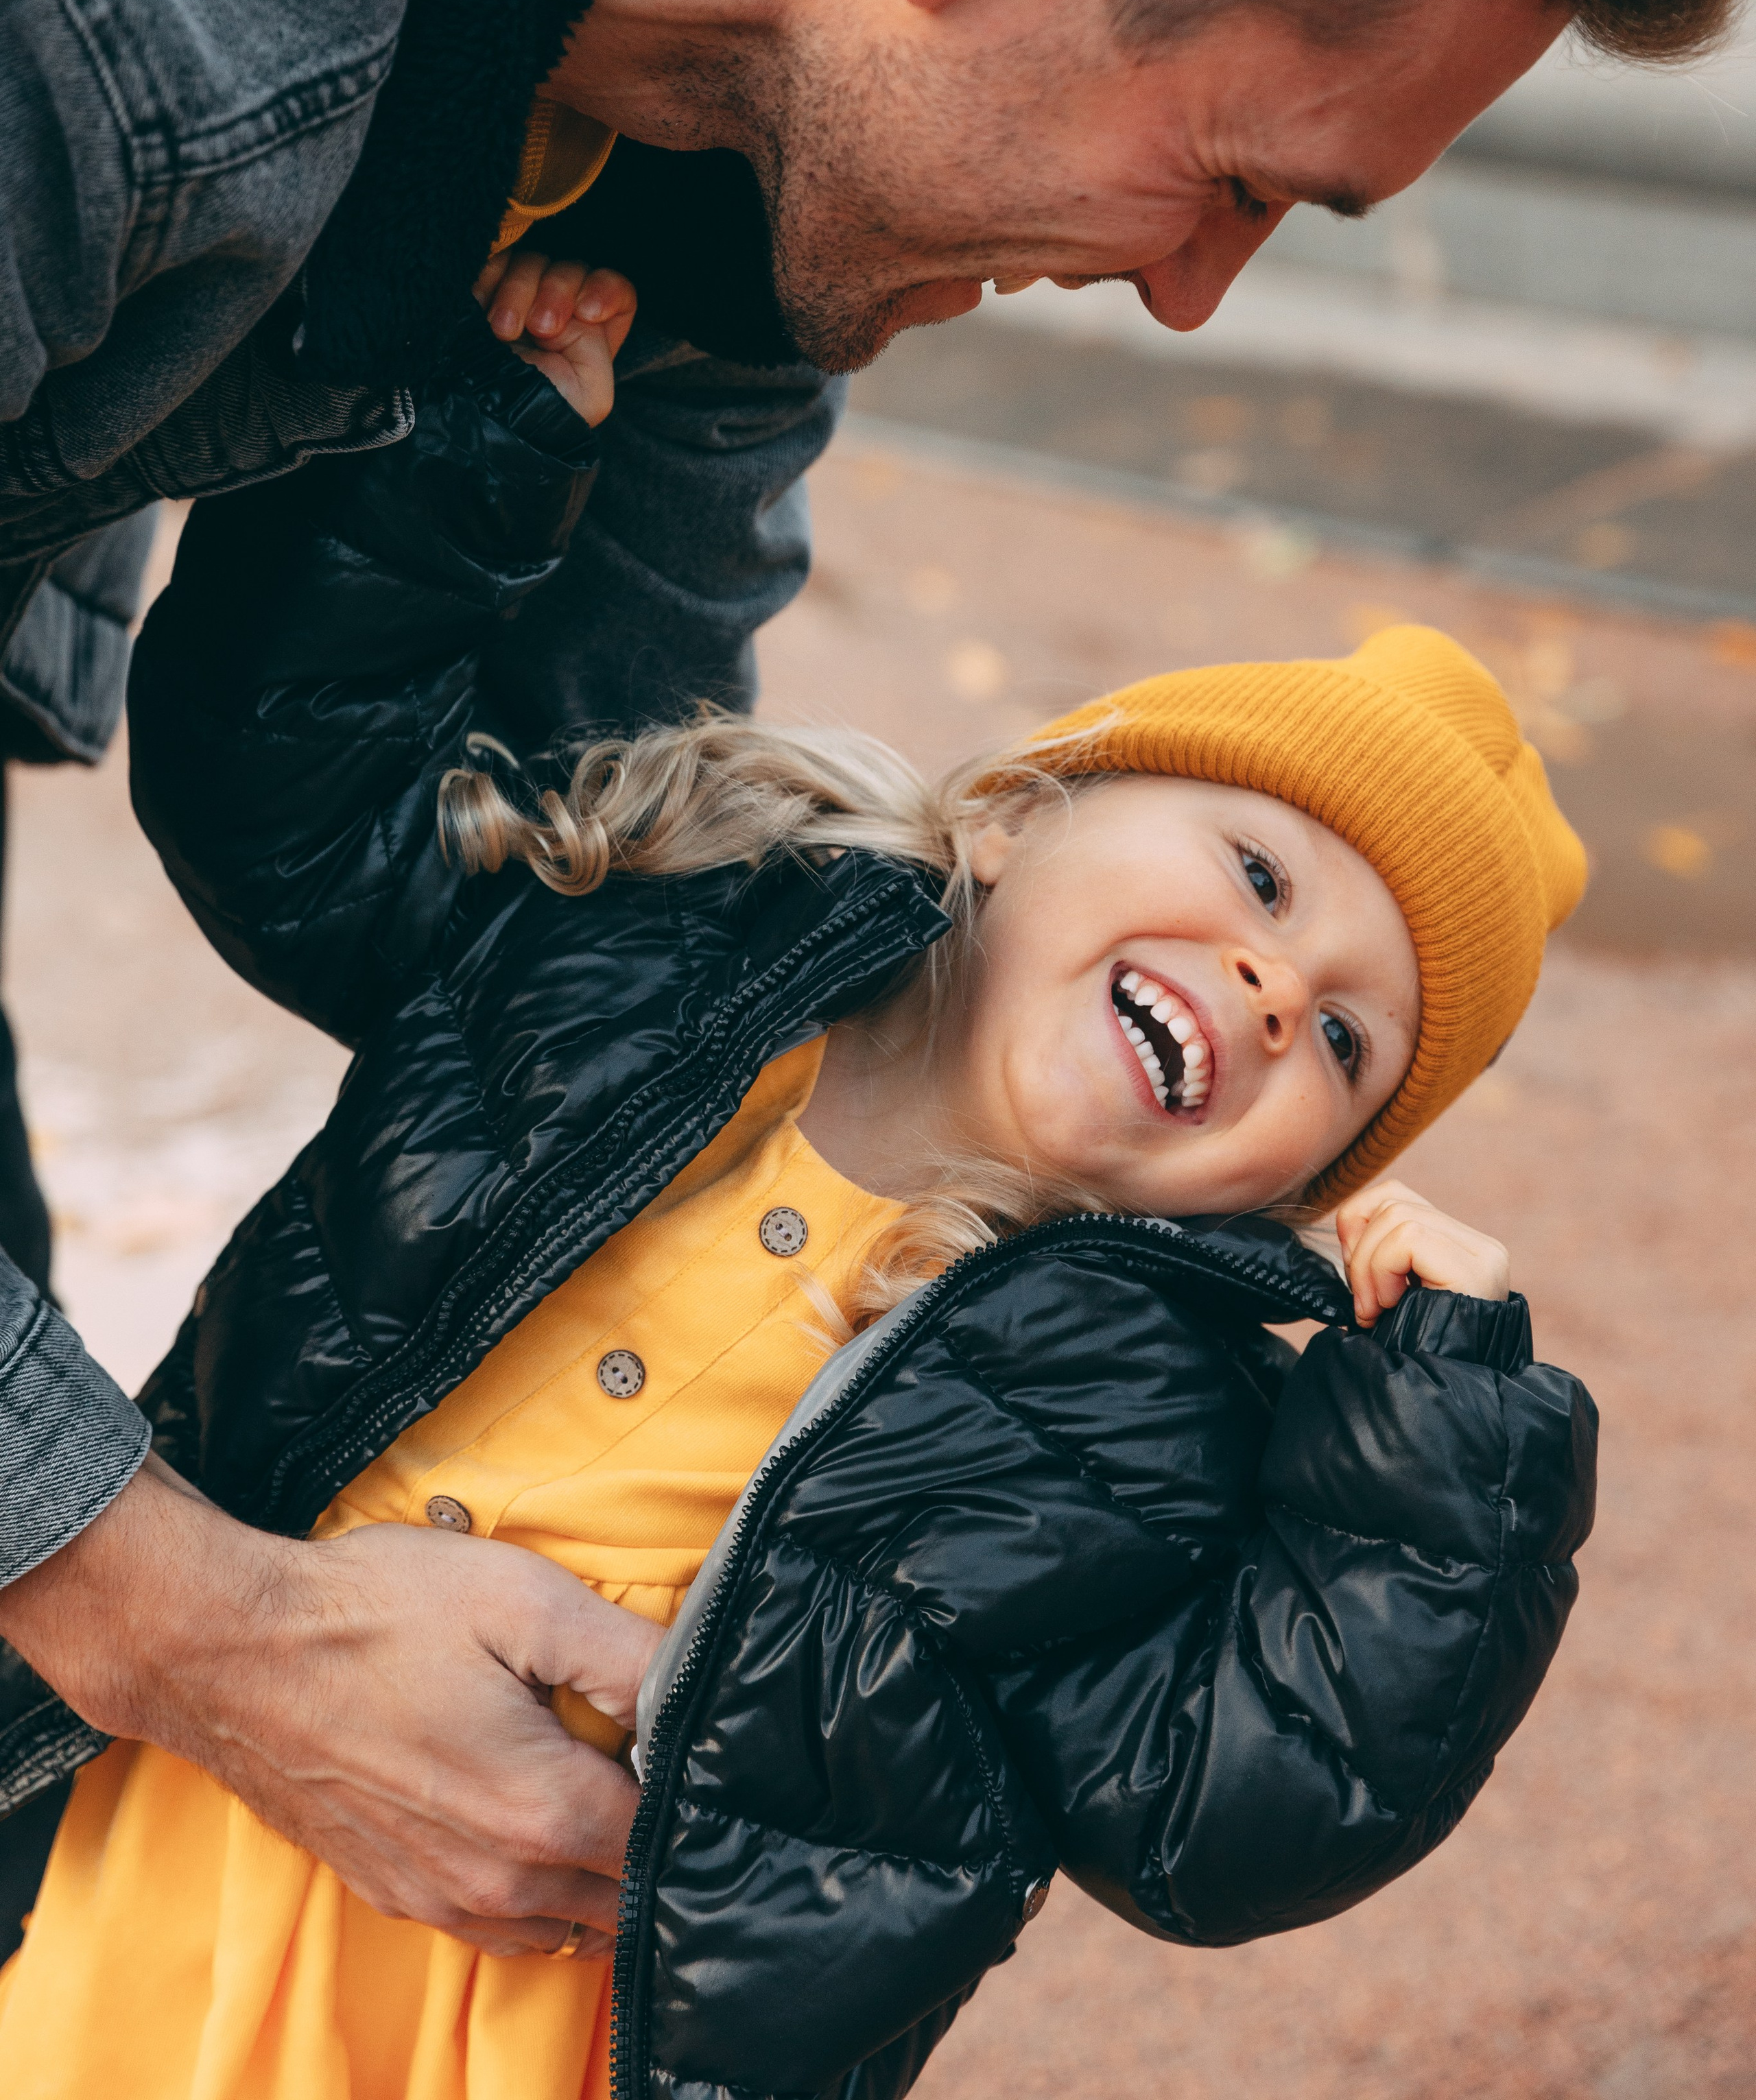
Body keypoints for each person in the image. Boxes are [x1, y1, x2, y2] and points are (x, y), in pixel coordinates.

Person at [0, 0, 1724, 1961]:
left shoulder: (737, 144)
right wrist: (201, 1624)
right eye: (1237, 177)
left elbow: (555, 862)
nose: (1197, 301)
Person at [0, 335, 1595, 2097]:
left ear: (1295, 1185)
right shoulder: (657, 932)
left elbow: (1226, 1809)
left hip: (548, 2026)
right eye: (1260, 873)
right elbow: (288, 802)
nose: (1276, 988)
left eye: (1350, 1041)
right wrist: (472, 462)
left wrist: (1438, 1448)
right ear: (1014, 816)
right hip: (176, 1839)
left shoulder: (1131, 1405)